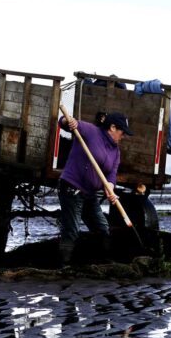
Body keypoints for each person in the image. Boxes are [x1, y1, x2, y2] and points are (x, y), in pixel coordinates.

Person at [57, 111, 133, 265]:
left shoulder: (115, 151)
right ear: (112, 127)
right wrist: (67, 121)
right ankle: (64, 267)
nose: (123, 136)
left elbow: (112, 173)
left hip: (90, 193)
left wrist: (110, 188)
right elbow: (63, 122)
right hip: (72, 188)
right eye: (122, 132)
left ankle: (103, 262)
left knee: (102, 228)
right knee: (72, 230)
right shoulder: (91, 131)